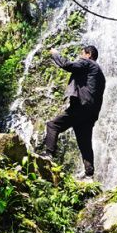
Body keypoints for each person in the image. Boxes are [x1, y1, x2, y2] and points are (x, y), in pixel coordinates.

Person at [45, 45, 106, 178]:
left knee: (53, 125)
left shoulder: (87, 63)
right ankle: (89, 175)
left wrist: (55, 53)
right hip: (91, 113)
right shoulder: (100, 73)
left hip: (81, 106)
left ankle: (48, 156)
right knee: (85, 143)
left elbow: (67, 65)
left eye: (82, 54)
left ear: (88, 54)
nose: (80, 57)